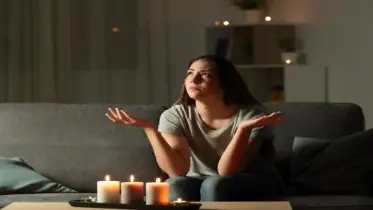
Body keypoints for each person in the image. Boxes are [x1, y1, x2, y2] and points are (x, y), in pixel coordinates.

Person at [105, 54, 286, 201]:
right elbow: (177, 171)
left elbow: (226, 171)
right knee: (174, 184)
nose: (194, 79)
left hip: (253, 179)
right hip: (200, 179)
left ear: (224, 83)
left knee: (215, 184)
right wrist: (150, 129)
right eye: (190, 73)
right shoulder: (176, 115)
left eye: (206, 74)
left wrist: (243, 130)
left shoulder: (252, 116)